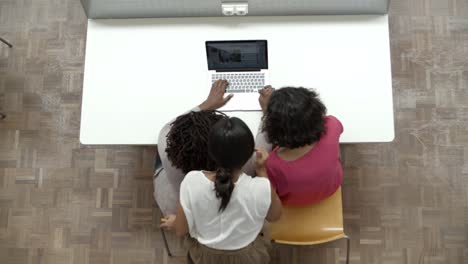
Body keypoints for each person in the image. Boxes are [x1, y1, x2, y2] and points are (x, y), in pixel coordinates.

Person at [161, 117, 282, 264]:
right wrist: (262, 171)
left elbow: (181, 230)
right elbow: (275, 216)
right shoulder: (261, 187)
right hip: (248, 256)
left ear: (211, 152)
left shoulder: (191, 181)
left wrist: (175, 221)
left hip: (205, 257)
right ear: (250, 152)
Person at [153, 80, 233, 216]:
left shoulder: (165, 138)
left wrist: (207, 104)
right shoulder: (244, 163)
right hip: (216, 214)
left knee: (160, 153)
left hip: (175, 209)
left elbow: (172, 125)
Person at [261, 87, 343, 206]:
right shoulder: (332, 124)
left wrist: (267, 110)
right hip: (332, 187)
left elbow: (271, 195)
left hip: (292, 202)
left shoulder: (272, 164)